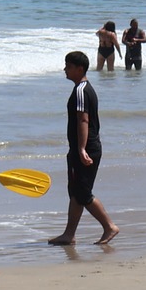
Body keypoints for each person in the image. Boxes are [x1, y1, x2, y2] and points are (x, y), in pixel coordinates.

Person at [50, 51, 118, 245]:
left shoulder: (81, 90)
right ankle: (69, 234)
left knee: (83, 193)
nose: (65, 69)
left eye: (68, 66)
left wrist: (81, 149)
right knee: (75, 192)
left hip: (86, 149)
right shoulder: (84, 89)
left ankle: (109, 226)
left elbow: (83, 120)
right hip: (85, 148)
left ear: (80, 69)